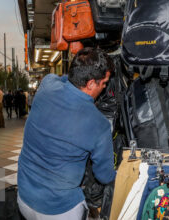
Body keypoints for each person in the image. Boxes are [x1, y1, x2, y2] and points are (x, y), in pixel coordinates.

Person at [17, 47, 116, 219]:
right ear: (91, 83)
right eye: (104, 83)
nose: (105, 87)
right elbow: (104, 175)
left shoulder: (47, 85)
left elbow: (62, 79)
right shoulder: (99, 124)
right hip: (59, 209)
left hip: (24, 199)